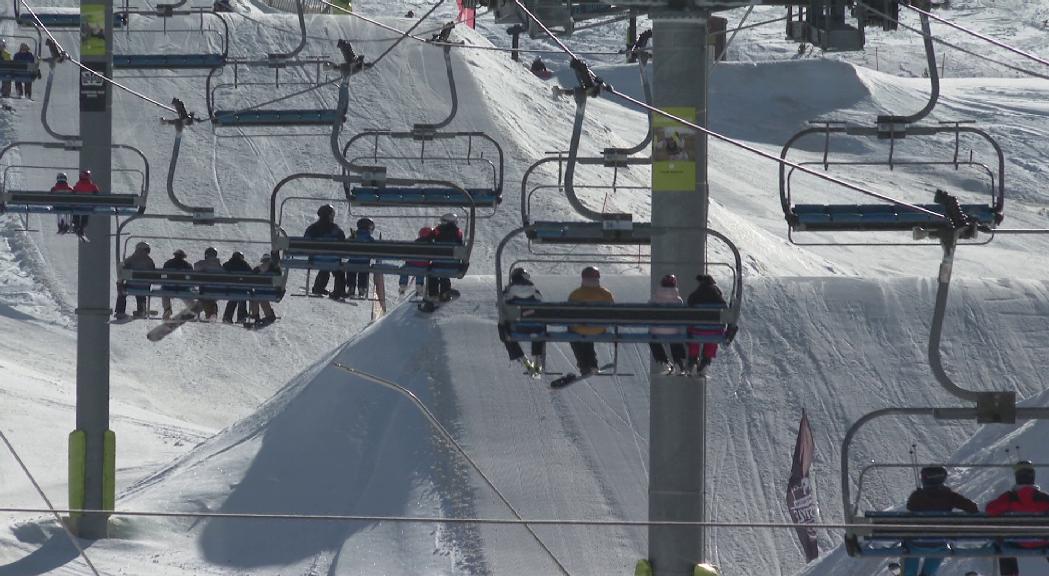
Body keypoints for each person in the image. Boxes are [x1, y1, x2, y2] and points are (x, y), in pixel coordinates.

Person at [900, 466, 978, 576]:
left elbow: (910, 507)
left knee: (910, 549)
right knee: (934, 558)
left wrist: (919, 494)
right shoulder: (950, 496)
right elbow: (973, 508)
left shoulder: (917, 496)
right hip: (939, 544)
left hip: (915, 544)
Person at [986, 461, 1049, 576]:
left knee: (1003, 544)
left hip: (1017, 541)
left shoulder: (1009, 498)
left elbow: (990, 509)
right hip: (1043, 542)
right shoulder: (1044, 498)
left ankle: (1010, 574)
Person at [567, 266, 614, 376]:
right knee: (589, 330)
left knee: (576, 330)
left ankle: (584, 365)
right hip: (599, 329)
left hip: (580, 329)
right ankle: (592, 364)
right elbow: (612, 313)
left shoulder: (575, 294)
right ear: (598, 278)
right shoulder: (606, 294)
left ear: (583, 278)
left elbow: (569, 314)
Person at [498, 267, 545, 376]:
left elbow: (502, 304)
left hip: (516, 327)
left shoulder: (509, 290)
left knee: (503, 327)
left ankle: (522, 358)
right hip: (534, 327)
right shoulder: (534, 290)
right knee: (540, 324)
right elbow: (540, 302)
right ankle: (537, 358)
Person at [303, 204, 347, 299]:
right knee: (338, 269)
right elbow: (343, 243)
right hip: (333, 261)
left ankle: (318, 287)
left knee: (324, 265)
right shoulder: (336, 229)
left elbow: (305, 242)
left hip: (316, 260)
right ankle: (339, 291)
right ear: (330, 216)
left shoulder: (312, 228)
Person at [687, 274, 726, 375]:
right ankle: (706, 359)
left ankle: (693, 358)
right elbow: (724, 308)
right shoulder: (717, 294)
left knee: (694, 334)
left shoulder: (696, 294)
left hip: (697, 330)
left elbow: (689, 304)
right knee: (712, 336)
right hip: (714, 331)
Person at [650, 274, 687, 374]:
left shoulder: (654, 299)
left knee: (652, 337)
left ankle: (664, 362)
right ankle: (679, 362)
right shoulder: (678, 301)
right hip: (674, 331)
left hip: (657, 331)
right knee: (675, 334)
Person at [425, 212, 464, 302]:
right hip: (453, 265)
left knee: (432, 272)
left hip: (438, 263)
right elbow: (461, 245)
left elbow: (429, 239)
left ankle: (433, 293)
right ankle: (445, 292)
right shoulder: (458, 232)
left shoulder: (437, 230)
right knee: (445, 272)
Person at [114, 241, 155, 319]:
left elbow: (123, 271)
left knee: (122, 287)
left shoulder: (131, 259)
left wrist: (120, 282)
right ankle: (141, 310)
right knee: (141, 290)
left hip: (131, 285)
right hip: (144, 287)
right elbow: (152, 274)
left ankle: (120, 311)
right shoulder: (150, 261)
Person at [160, 249, 193, 319]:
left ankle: (167, 309)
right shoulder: (187, 265)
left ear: (175, 255)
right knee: (188, 291)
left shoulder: (167, 263)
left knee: (164, 291)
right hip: (183, 288)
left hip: (169, 288)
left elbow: (163, 276)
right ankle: (192, 308)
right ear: (183, 257)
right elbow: (191, 278)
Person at [346, 217, 374, 298]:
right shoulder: (369, 238)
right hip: (364, 263)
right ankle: (362, 287)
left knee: (351, 271)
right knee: (364, 273)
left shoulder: (354, 235)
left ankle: (351, 286)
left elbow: (346, 244)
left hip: (352, 262)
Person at [400, 226, 432, 296]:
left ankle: (403, 285)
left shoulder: (416, 242)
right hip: (423, 266)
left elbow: (408, 254)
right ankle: (419, 287)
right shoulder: (431, 244)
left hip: (411, 265)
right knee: (421, 271)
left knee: (404, 269)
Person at [193, 247, 223, 321]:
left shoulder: (202, 263)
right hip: (217, 290)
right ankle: (212, 314)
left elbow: (195, 268)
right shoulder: (219, 265)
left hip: (204, 289)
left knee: (204, 298)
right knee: (211, 300)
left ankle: (208, 314)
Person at [221, 251, 252, 324]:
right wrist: (250, 289)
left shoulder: (227, 264)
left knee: (233, 299)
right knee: (242, 297)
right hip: (242, 289)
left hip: (230, 288)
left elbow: (222, 274)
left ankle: (227, 317)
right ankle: (241, 317)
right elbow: (250, 277)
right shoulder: (245, 265)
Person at [249, 253, 278, 326]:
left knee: (255, 297)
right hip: (272, 292)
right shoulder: (275, 270)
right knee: (263, 298)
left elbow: (250, 280)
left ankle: (256, 316)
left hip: (259, 292)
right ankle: (269, 315)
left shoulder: (257, 269)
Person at [71, 170, 101, 235]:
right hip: (88, 207)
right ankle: (82, 227)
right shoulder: (93, 186)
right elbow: (97, 194)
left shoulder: (78, 185)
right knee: (86, 212)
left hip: (78, 206)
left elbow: (73, 192)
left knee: (76, 210)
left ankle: (76, 224)